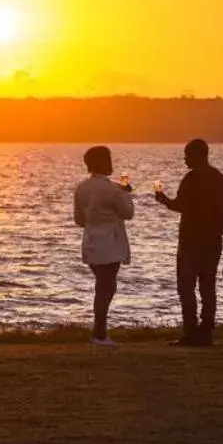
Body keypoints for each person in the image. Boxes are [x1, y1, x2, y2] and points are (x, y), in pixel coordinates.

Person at [154, 138, 223, 346]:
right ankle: (206, 331)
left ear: (198, 155)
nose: (185, 159)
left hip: (190, 241)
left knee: (186, 286)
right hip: (213, 241)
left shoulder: (191, 179)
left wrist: (163, 200)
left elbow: (180, 205)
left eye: (187, 155)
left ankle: (191, 332)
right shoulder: (220, 178)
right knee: (208, 286)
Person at [73, 145, 134, 346]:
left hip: (91, 242)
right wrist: (126, 193)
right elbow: (128, 213)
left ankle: (99, 331)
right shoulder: (112, 190)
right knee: (106, 287)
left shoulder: (81, 188)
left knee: (104, 285)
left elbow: (79, 220)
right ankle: (99, 334)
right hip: (110, 244)